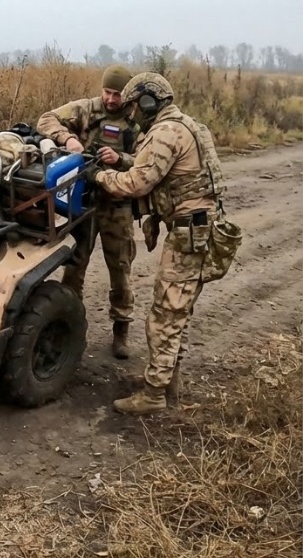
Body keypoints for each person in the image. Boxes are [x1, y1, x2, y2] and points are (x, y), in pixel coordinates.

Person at [87, 72, 237, 416]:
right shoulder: (191, 126)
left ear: (149, 102)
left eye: (135, 105)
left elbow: (137, 182)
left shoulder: (166, 132)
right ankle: (168, 382)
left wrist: (98, 176)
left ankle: (154, 394)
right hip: (202, 231)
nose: (133, 112)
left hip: (190, 235)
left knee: (165, 315)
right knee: (178, 313)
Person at [37, 64, 142, 359]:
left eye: (117, 94)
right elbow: (46, 119)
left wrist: (119, 157)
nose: (111, 99)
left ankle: (121, 329)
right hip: (82, 201)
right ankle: (67, 329)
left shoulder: (137, 121)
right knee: (74, 266)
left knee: (120, 268)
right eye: (108, 92)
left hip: (117, 203)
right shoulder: (86, 109)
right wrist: (67, 139)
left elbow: (149, 162)